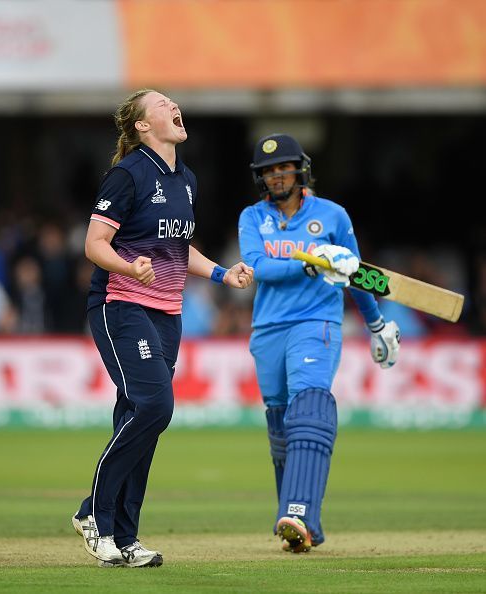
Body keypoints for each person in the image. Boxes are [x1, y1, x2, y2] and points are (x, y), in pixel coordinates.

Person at [72, 89, 253, 568]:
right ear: (142, 126)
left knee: (139, 417)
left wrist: (221, 274)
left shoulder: (186, 179)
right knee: (156, 405)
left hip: (166, 312)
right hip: (121, 304)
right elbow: (95, 243)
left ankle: (124, 538)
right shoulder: (127, 174)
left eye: (175, 101)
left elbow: (178, 248)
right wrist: (130, 270)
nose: (175, 106)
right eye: (163, 103)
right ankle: (93, 514)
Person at [238, 133, 400, 553]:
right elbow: (260, 268)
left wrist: (377, 324)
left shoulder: (332, 216)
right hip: (268, 329)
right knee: (280, 426)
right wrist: (313, 261)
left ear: (300, 169)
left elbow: (356, 273)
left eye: (283, 167)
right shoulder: (253, 218)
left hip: (316, 323)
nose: (277, 175)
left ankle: (299, 512)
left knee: (308, 407)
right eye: (269, 170)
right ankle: (304, 526)